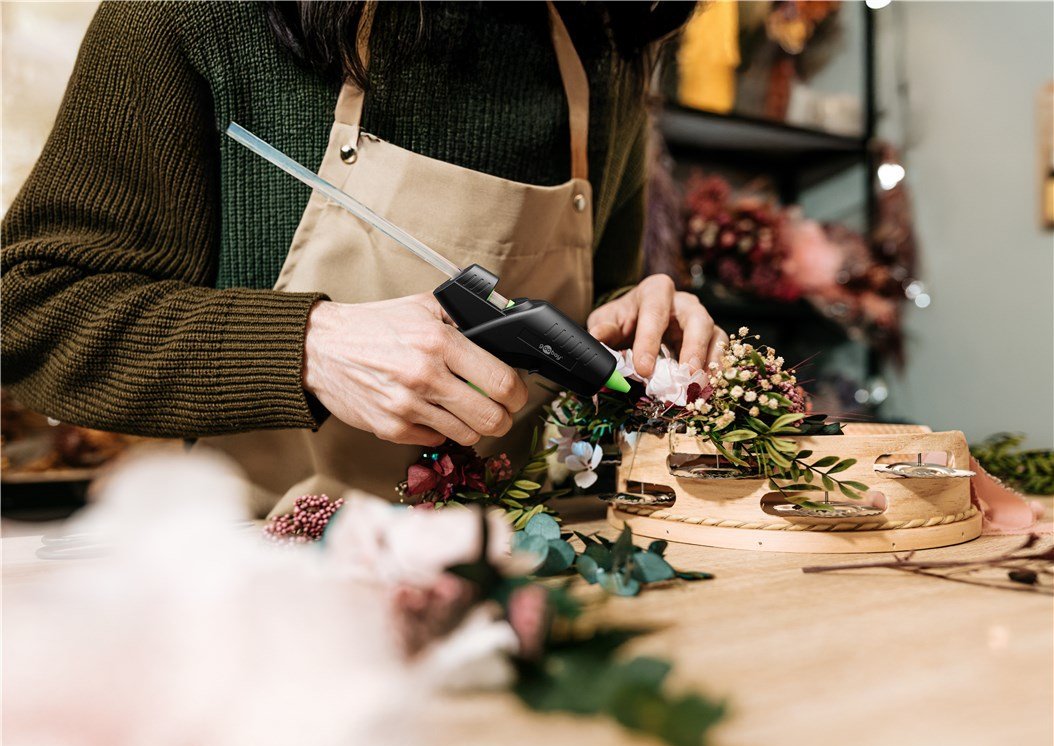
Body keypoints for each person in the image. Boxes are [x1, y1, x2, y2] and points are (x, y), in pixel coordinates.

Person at [1, 1, 726, 513]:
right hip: (273, 591)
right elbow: (28, 306)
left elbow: (597, 308)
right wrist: (307, 345)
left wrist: (637, 338)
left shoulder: (603, 45)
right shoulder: (202, 15)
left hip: (530, 574)